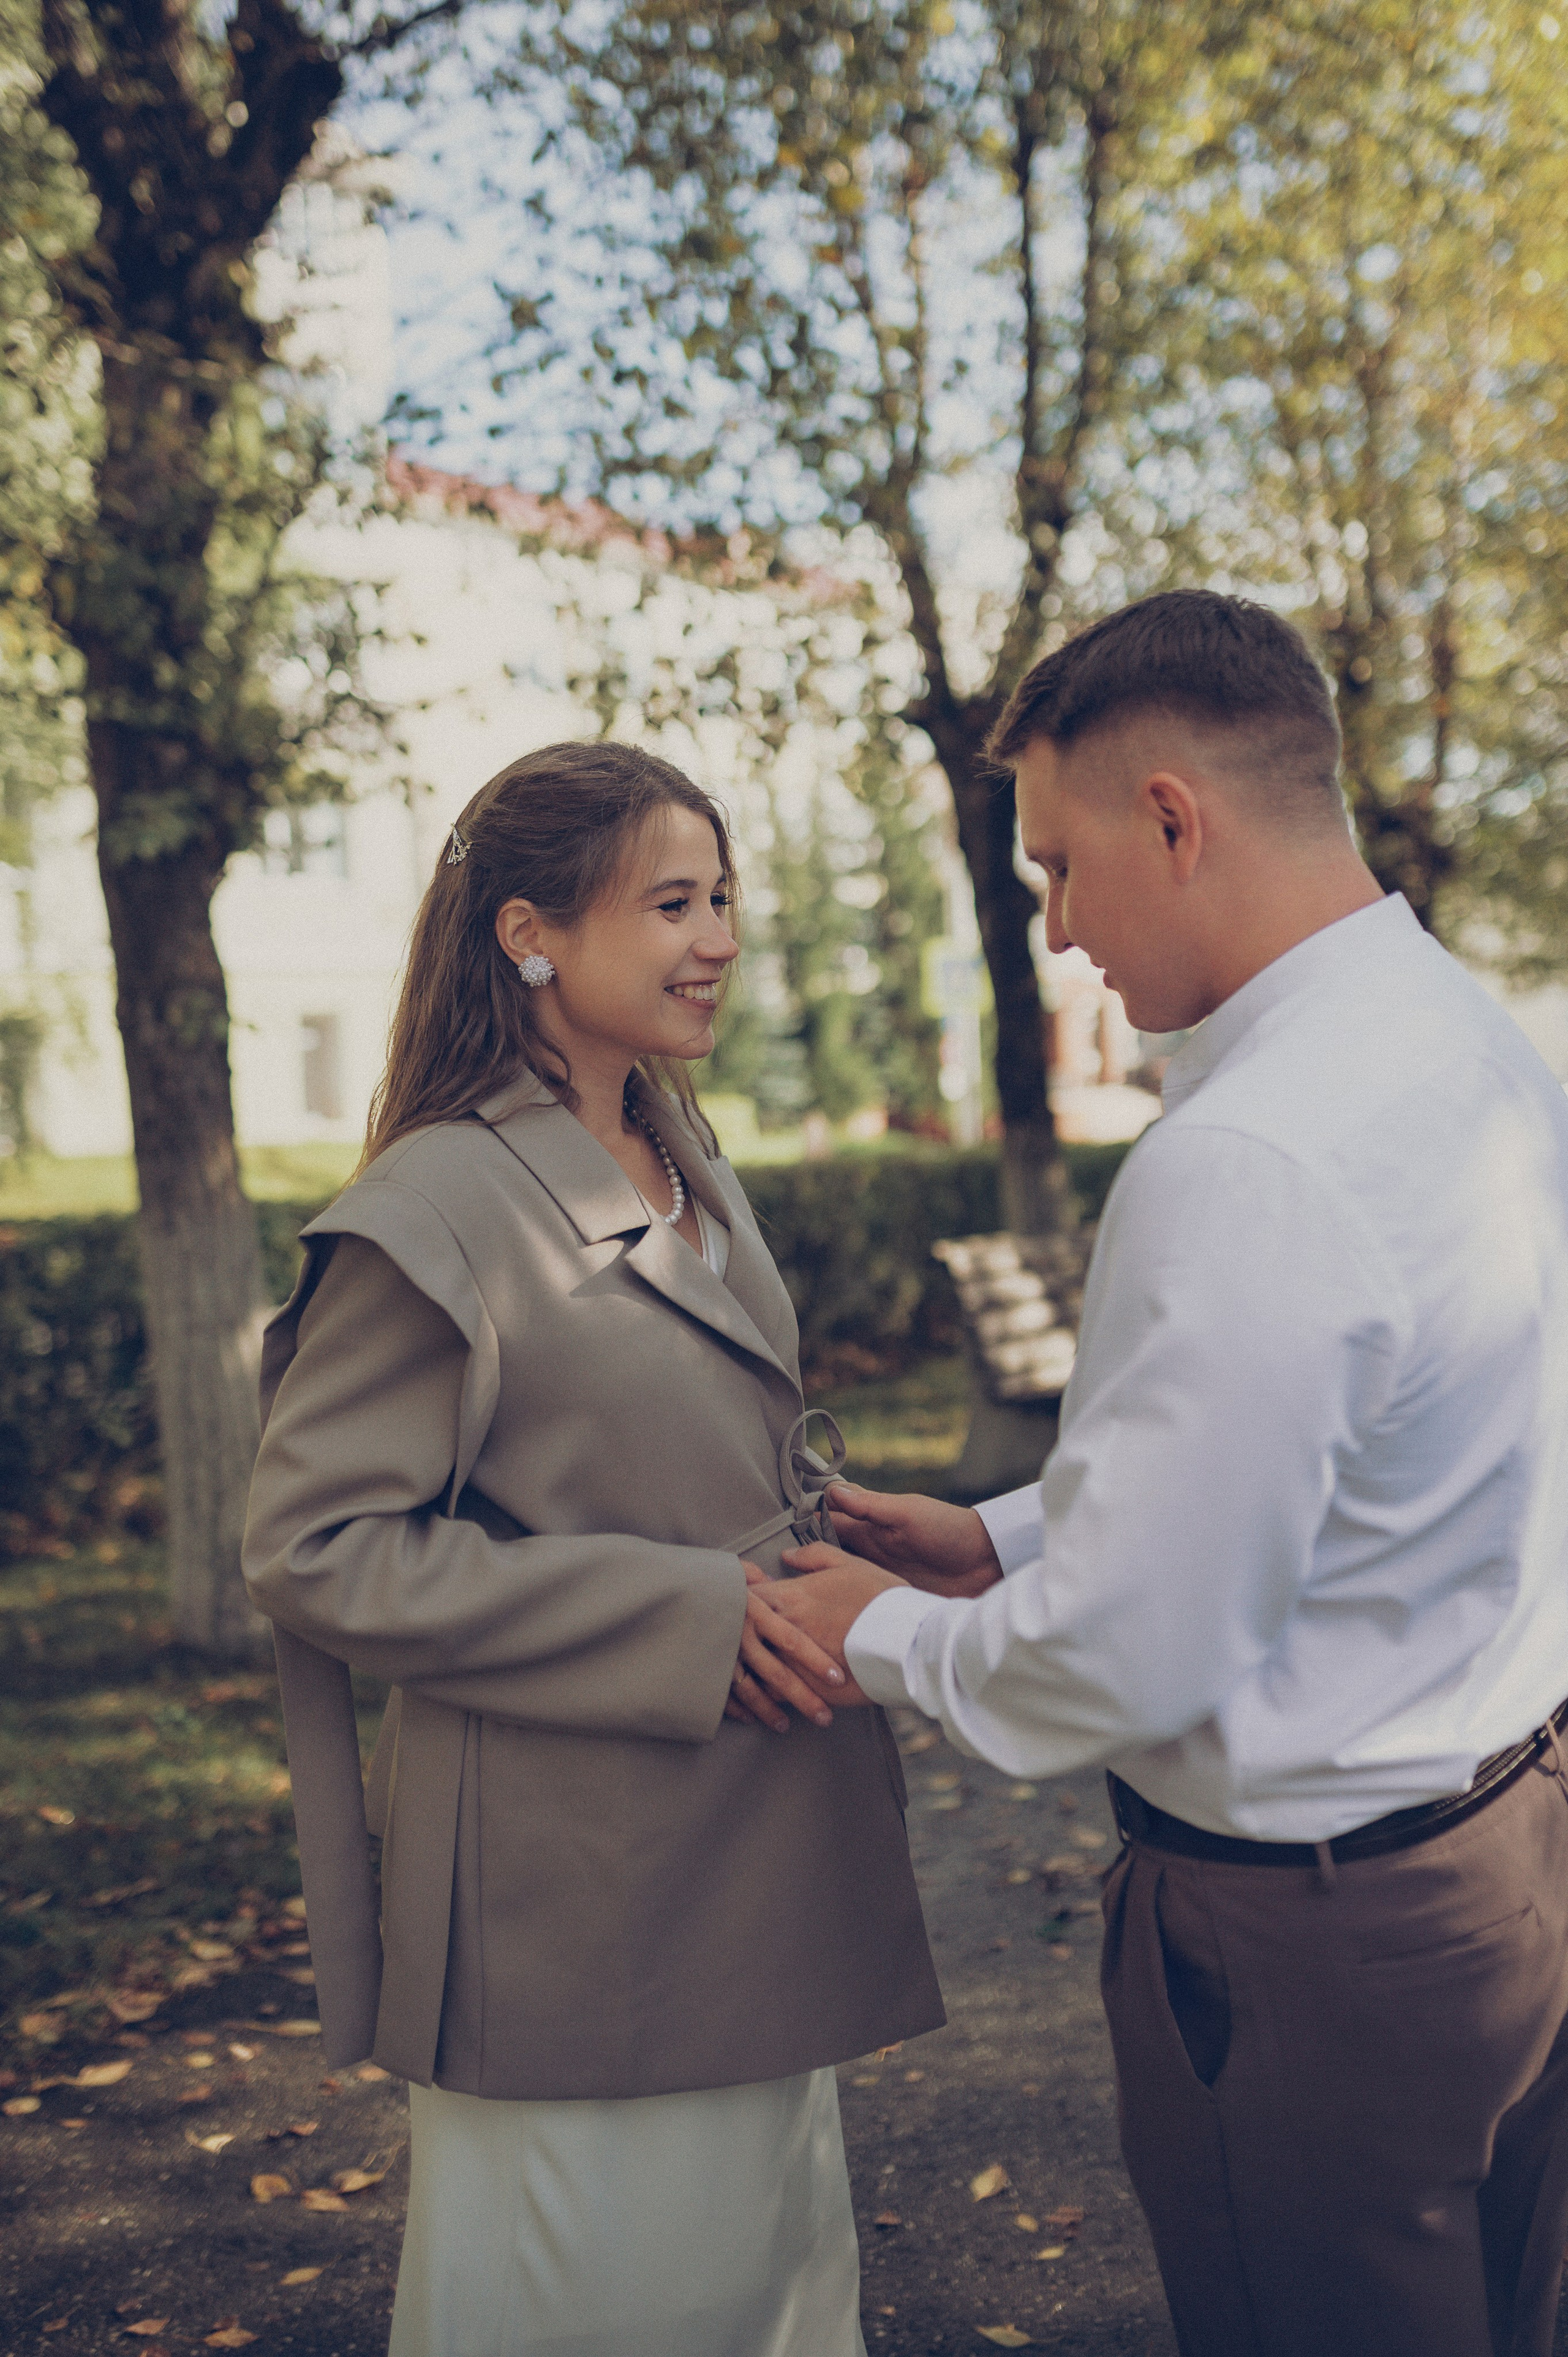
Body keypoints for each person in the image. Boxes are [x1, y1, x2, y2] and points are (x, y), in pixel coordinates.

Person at [759, 591, 1568, 2357]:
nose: (1057, 929)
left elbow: (1127, 1657)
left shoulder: (1251, 1154)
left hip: (1316, 1963)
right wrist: (998, 1533)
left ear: (1175, 818)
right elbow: (1353, 1438)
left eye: (1058, 866)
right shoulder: (1481, 1054)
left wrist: (883, 1630)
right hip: (1511, 1863)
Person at [241, 740, 943, 2357]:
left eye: (727, 901)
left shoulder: (682, 1155)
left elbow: (666, 1442)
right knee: (599, 2302)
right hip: (579, 1896)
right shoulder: (437, 1206)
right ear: (529, 933)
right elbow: (316, 1549)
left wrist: (846, 1535)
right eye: (674, 902)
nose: (719, 938)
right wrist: (681, 1611)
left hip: (751, 1840)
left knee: (772, 2291)